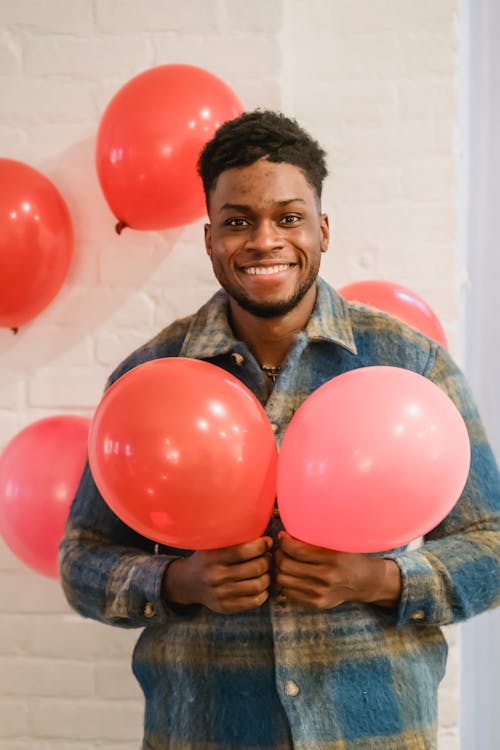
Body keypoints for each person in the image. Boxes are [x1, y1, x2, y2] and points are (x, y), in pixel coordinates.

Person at [60, 110, 500, 750]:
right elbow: (81, 560)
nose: (265, 240)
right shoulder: (150, 378)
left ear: (321, 229)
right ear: (210, 238)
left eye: (289, 217)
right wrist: (177, 583)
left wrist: (379, 581)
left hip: (373, 732)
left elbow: (492, 542)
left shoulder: (410, 365)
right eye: (238, 221)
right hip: (205, 731)